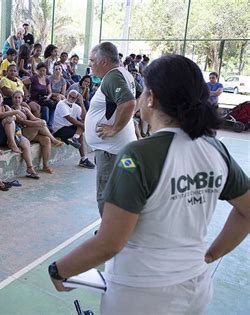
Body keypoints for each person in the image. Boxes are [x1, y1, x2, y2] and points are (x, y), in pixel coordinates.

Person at [49, 54, 250, 315]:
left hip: (139, 296)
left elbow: (109, 243)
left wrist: (60, 271)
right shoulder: (215, 149)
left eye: (143, 91)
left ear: (152, 97)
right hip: (195, 289)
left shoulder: (138, 156)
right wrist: (210, 256)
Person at [84, 42, 138, 216]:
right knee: (123, 190)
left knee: (106, 193)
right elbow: (143, 96)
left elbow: (129, 102)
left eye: (92, 60)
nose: (90, 64)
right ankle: (119, 232)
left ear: (104, 61)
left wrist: (115, 128)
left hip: (110, 152)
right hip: (119, 148)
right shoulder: (125, 74)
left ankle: (108, 236)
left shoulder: (112, 77)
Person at [0, 90, 39, 178]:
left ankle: (30, 167)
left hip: (11, 134)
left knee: (26, 142)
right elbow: (0, 115)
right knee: (8, 119)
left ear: (2, 98)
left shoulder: (6, 107)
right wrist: (15, 113)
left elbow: (15, 117)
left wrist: (15, 115)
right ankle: (12, 143)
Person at [10, 91, 63, 174]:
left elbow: (33, 118)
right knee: (39, 125)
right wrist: (38, 123)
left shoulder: (25, 109)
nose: (17, 100)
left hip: (29, 131)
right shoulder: (12, 110)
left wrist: (41, 121)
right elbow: (23, 122)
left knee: (46, 139)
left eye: (19, 98)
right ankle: (54, 140)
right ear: (12, 99)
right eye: (15, 98)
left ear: (22, 99)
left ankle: (46, 165)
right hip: (19, 134)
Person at [53, 90, 94, 169]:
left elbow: (84, 118)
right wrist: (83, 126)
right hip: (59, 129)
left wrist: (82, 103)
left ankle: (75, 138)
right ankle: (83, 158)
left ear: (76, 99)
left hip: (68, 127)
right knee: (81, 130)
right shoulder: (61, 104)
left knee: (82, 125)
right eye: (70, 96)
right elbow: (69, 118)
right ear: (67, 95)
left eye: (73, 98)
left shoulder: (76, 106)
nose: (71, 98)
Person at [26, 62, 56, 129]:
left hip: (44, 99)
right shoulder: (34, 78)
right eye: (41, 71)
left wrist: (48, 97)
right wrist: (27, 92)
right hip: (35, 99)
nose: (42, 72)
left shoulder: (47, 79)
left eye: (44, 71)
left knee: (52, 106)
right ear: (37, 70)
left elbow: (50, 92)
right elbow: (22, 82)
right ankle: (45, 127)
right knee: (45, 109)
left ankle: (49, 126)